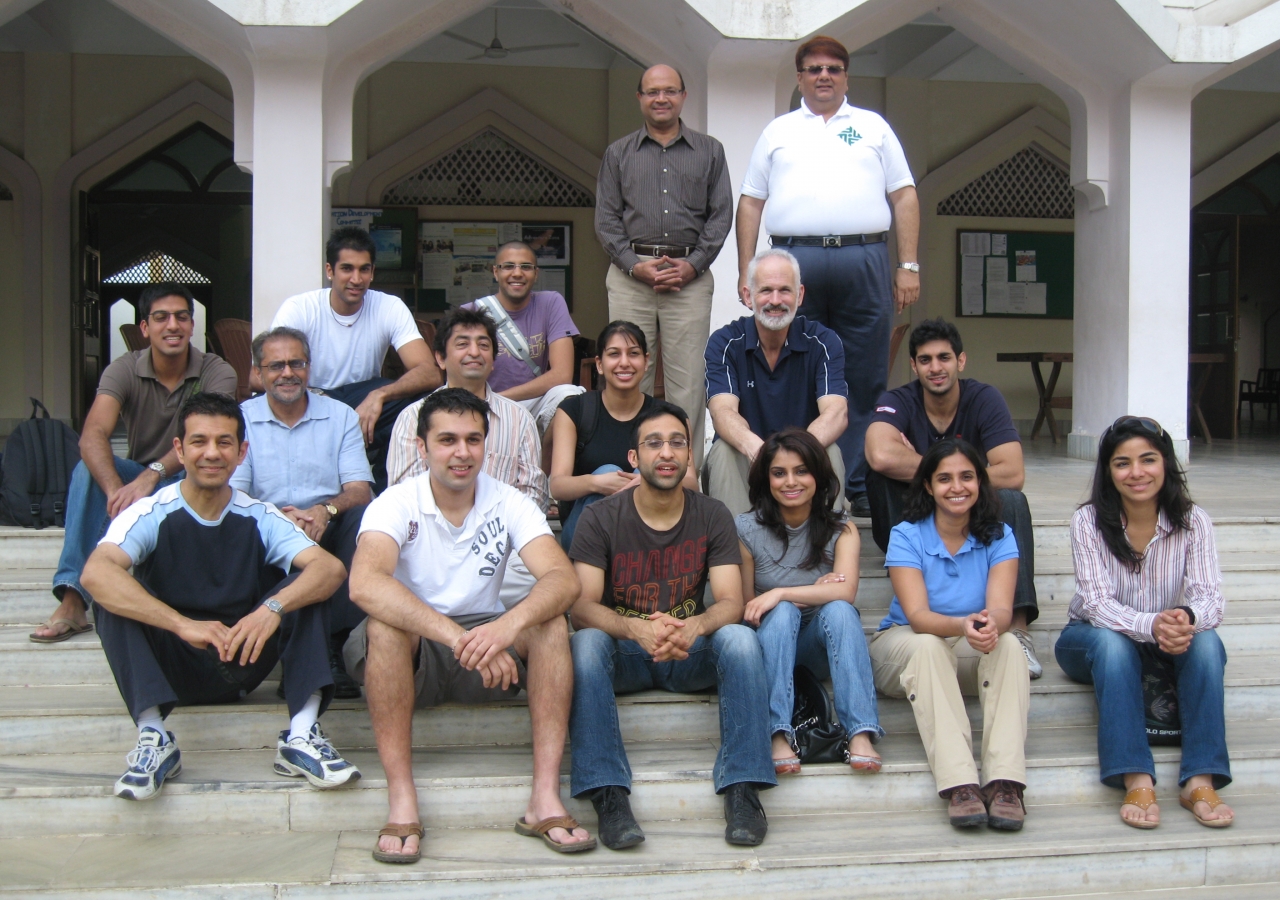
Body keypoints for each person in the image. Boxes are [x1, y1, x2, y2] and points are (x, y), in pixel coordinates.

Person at [347, 388, 594, 863]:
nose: (462, 453)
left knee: (548, 624)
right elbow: (364, 584)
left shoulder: (510, 502)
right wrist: (460, 637)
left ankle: (544, 798)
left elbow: (563, 580)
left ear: (486, 443)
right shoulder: (395, 503)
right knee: (384, 627)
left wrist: (506, 628)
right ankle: (402, 799)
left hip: (487, 651)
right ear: (421, 448)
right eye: (447, 440)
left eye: (473, 439)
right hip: (418, 655)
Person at [80, 392, 358, 801]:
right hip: (171, 660)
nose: (212, 453)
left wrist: (271, 609)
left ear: (242, 451)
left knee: (310, 583)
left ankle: (301, 735)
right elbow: (95, 572)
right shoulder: (151, 511)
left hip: (243, 655)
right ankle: (154, 737)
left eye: (224, 442)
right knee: (109, 594)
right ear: (179, 449)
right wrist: (181, 625)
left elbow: (330, 569)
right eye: (199, 442)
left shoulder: (259, 514)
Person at [568, 401, 775, 850]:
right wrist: (635, 629)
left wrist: (696, 626)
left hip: (687, 651)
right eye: (654, 443)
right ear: (634, 457)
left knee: (739, 639)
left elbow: (731, 601)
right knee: (585, 645)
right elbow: (580, 607)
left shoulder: (712, 514)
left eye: (677, 442)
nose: (667, 452)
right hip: (627, 653)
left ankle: (743, 789)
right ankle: (609, 794)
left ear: (689, 457)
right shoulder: (600, 518)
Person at [736, 35, 920, 515]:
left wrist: (908, 265)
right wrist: (746, 271)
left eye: (833, 69)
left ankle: (856, 481)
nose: (824, 76)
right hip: (796, 262)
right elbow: (751, 202)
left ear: (845, 76)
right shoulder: (778, 131)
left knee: (863, 372)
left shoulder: (873, 127)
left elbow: (903, 196)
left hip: (864, 258)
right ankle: (796, 475)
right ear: (799, 77)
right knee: (796, 366)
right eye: (814, 68)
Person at [33, 282, 238, 643]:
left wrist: (151, 474)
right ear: (145, 328)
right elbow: (93, 433)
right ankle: (72, 596)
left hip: (195, 478)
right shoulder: (124, 369)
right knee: (88, 470)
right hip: (138, 477)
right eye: (161, 318)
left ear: (192, 326)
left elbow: (208, 439)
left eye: (181, 317)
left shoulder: (217, 371)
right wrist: (116, 491)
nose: (172, 325)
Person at [1055, 416, 1232, 830]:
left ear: (1166, 464)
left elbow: (1211, 598)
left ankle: (1199, 780)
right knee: (1113, 644)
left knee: (1207, 643)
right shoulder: (1088, 521)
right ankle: (1136, 776)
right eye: (1122, 463)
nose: (1136, 473)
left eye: (1147, 460)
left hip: (1164, 637)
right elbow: (1097, 604)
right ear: (1108, 471)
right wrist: (1153, 624)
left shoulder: (1194, 521)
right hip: (1090, 638)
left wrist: (1186, 619)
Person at [864, 318, 1043, 678]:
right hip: (915, 518)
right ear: (913, 366)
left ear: (960, 361)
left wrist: (956, 483)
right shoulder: (898, 400)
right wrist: (941, 477)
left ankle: (1018, 631)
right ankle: (911, 561)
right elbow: (881, 454)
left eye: (944, 358)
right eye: (925, 360)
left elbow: (1012, 471)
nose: (935, 367)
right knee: (878, 473)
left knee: (1010, 500)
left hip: (970, 517)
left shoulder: (984, 398)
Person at [868, 439, 1029, 831]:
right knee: (928, 646)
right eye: (944, 479)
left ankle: (1005, 781)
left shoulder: (1000, 534)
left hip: (964, 648)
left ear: (980, 482)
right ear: (928, 486)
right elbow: (919, 617)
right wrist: (962, 625)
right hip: (902, 646)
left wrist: (994, 624)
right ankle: (960, 784)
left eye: (967, 477)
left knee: (1008, 644)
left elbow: (1003, 608)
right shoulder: (907, 535)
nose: (957, 487)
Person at [594, 63, 732, 467]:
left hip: (688, 279)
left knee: (687, 383)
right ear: (639, 98)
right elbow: (605, 219)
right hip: (630, 275)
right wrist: (633, 265)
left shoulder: (710, 150)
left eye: (670, 91)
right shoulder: (618, 153)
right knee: (626, 373)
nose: (661, 98)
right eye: (652, 92)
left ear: (683, 97)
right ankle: (627, 467)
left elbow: (721, 215)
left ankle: (685, 474)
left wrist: (693, 265)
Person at [230, 326, 373, 699]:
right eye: (275, 365)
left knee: (365, 522)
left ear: (309, 367)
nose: (288, 373)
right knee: (234, 522)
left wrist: (324, 510)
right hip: (264, 528)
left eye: (297, 363)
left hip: (327, 524)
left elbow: (359, 490)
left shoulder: (340, 416)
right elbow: (236, 494)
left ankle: (333, 646)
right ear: (258, 374)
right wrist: (280, 521)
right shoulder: (240, 419)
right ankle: (295, 649)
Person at [738, 428, 882, 776]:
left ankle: (860, 731)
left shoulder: (842, 530)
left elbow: (844, 593)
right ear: (766, 479)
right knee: (783, 612)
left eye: (801, 471)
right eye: (779, 473)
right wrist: (806, 594)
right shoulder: (745, 529)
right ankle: (777, 732)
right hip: (769, 645)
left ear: (818, 476)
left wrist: (781, 592)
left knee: (839, 610)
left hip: (819, 647)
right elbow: (747, 609)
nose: (791, 481)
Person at [386, 307, 549, 611]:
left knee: (536, 573)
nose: (474, 352)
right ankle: (474, 609)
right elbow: (402, 494)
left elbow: (533, 495)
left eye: (483, 344)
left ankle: (452, 607)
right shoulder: (413, 418)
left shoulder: (519, 419)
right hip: (432, 547)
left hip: (499, 551)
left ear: (493, 358)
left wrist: (497, 546)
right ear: (440, 357)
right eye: (462, 343)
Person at [270, 226, 442, 491]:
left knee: (414, 405)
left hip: (364, 401)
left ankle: (392, 493)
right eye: (347, 268)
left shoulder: (388, 306)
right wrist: (315, 395)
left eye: (364, 269)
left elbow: (429, 373)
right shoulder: (300, 308)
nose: (356, 278)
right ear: (330, 271)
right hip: (310, 398)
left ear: (372, 272)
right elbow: (261, 376)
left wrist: (379, 396)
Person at [704, 248, 847, 518]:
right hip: (747, 459)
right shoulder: (724, 343)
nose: (775, 300)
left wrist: (792, 458)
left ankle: (825, 549)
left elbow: (836, 413)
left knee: (830, 450)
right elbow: (723, 413)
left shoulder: (824, 342)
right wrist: (768, 456)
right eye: (766, 290)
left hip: (803, 461)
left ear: (800, 295)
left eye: (785, 290)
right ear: (748, 296)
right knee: (723, 451)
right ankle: (735, 553)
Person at [549, 320, 698, 551]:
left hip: (652, 535)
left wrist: (648, 482)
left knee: (647, 471)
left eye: (634, 354)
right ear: (599, 363)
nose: (624, 363)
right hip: (587, 538)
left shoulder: (671, 416)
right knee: (607, 470)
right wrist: (598, 483)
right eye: (614, 354)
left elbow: (691, 482)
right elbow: (557, 485)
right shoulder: (574, 411)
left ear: (646, 361)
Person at [462, 241, 584, 447]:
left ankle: (547, 474)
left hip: (531, 401)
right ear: (495, 272)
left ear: (536, 274)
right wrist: (486, 402)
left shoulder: (551, 303)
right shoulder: (471, 312)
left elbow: (562, 374)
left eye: (525, 267)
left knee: (570, 395)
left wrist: (500, 398)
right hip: (484, 406)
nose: (517, 273)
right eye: (508, 266)